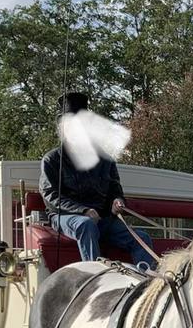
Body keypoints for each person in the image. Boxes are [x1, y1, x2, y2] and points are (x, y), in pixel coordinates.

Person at [40, 92, 150, 266]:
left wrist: (117, 201)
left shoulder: (106, 160)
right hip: (67, 217)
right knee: (86, 225)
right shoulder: (52, 160)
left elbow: (115, 189)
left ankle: (148, 285)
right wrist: (83, 210)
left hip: (103, 219)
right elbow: (50, 195)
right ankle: (95, 278)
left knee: (141, 238)